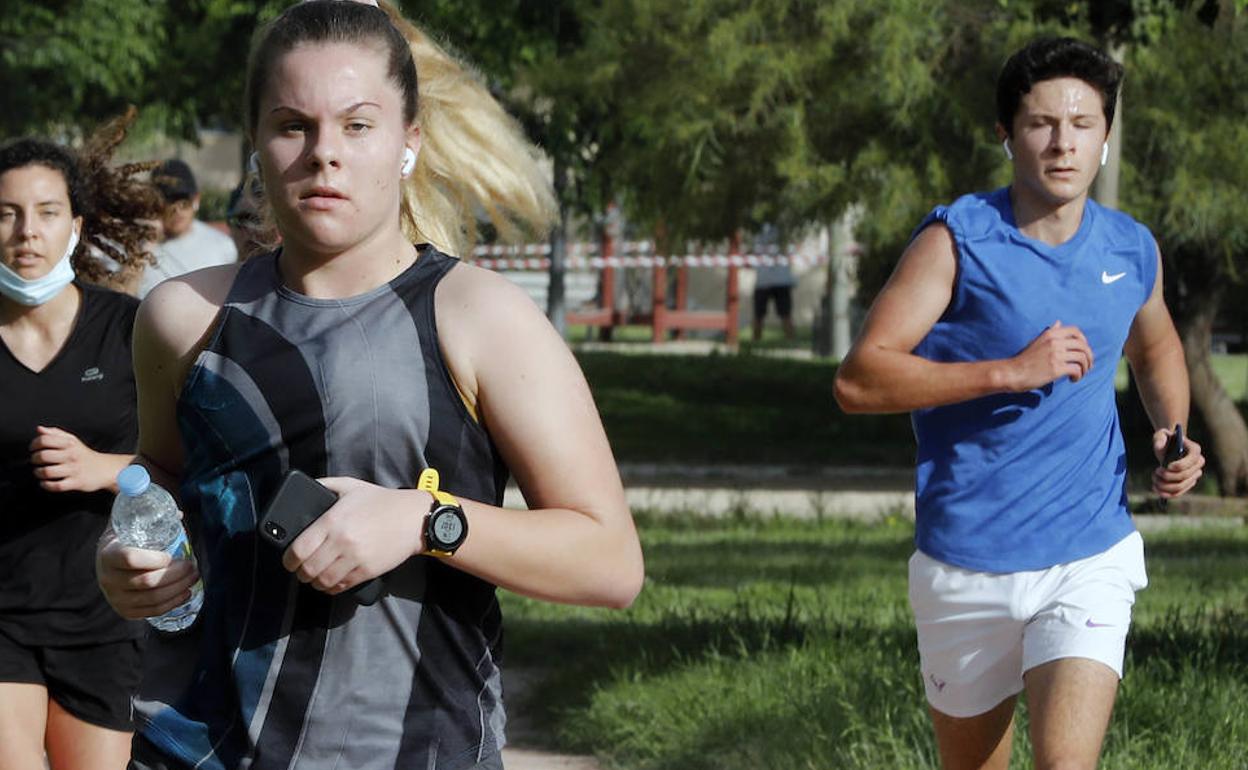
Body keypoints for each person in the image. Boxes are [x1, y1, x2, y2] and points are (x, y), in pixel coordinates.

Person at [96, 3, 644, 769]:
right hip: (194, 749)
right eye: (293, 125)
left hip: (411, 751)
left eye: (357, 125)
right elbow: (160, 475)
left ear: (408, 143)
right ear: (255, 140)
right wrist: (127, 551)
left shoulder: (481, 317)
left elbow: (611, 562)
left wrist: (427, 521)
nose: (325, 155)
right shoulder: (182, 316)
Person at [834, 37, 1205, 770]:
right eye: (1041, 123)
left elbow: (1155, 347)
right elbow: (859, 381)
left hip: (1088, 553)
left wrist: (1172, 432)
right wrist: (1008, 372)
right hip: (966, 560)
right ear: (1006, 135)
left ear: (1104, 136)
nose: (1063, 142)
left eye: (1083, 123)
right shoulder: (957, 240)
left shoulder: (1131, 250)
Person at [0, 113, 163, 770]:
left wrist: (106, 470)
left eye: (45, 212)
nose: (26, 231)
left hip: (105, 612)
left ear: (76, 225)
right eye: (6, 213)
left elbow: (191, 464)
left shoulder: (133, 329)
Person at [136, 159, 237, 298]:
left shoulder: (224, 246)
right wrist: (145, 246)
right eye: (169, 200)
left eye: (184, 201)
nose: (177, 210)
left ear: (196, 199)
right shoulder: (135, 246)